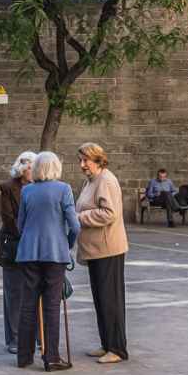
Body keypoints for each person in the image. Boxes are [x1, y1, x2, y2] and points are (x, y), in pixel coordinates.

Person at [15, 151, 80, 371]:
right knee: (52, 305)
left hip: (28, 253)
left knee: (27, 304)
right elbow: (75, 225)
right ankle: (51, 357)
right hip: (54, 254)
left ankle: (24, 356)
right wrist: (67, 244)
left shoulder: (27, 191)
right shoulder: (64, 189)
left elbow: (20, 225)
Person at [76, 143, 129, 363]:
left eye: (85, 160)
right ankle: (107, 343)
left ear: (97, 159)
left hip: (108, 249)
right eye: (80, 160)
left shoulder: (106, 180)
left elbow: (109, 213)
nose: (82, 165)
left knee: (110, 300)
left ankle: (117, 348)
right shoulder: (91, 181)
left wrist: (79, 217)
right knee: (100, 299)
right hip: (95, 249)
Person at [0, 152, 38, 354]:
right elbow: (8, 219)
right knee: (14, 294)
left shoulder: (40, 187)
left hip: (36, 246)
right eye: (30, 167)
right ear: (22, 169)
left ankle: (38, 335)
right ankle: (13, 338)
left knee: (35, 291)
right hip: (15, 244)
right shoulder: (8, 188)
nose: (32, 171)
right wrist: (26, 236)